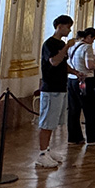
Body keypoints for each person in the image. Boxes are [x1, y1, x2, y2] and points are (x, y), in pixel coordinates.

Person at [37, 15, 74, 168]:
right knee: (46, 123)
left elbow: (62, 64)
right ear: (59, 26)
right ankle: (41, 154)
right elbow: (54, 61)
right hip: (50, 88)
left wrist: (75, 72)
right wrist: (66, 47)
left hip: (60, 87)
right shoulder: (50, 44)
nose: (69, 29)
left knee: (53, 123)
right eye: (68, 26)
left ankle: (48, 150)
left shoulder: (59, 43)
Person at [66, 28, 95, 147]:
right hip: (84, 81)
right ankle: (92, 137)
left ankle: (74, 137)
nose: (93, 41)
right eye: (93, 39)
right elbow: (89, 65)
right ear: (88, 37)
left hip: (72, 79)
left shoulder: (73, 46)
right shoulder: (87, 47)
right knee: (91, 108)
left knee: (74, 109)